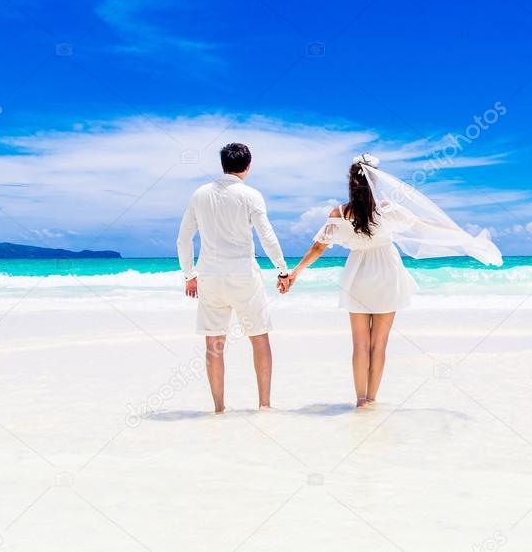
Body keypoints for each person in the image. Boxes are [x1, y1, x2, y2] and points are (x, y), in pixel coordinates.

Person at [285, 154, 502, 409]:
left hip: (357, 276)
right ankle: (373, 398)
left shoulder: (340, 213)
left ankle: (360, 401)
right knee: (379, 344)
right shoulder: (386, 209)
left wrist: (295, 272)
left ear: (351, 182)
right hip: (387, 273)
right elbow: (421, 226)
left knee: (359, 344)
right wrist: (463, 236)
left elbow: (319, 247)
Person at [177, 142, 291, 413]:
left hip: (209, 276)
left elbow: (183, 239)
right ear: (248, 166)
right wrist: (282, 270)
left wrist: (189, 275)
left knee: (214, 344)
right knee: (259, 337)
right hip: (243, 276)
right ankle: (264, 405)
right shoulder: (251, 195)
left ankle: (219, 408)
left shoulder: (200, 194)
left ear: (223, 164)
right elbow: (267, 236)